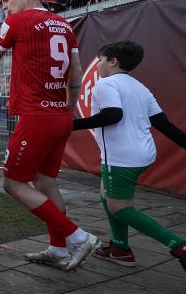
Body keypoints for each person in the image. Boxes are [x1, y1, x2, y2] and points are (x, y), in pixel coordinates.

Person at [0, 0, 100, 271]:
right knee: (45, 182)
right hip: (61, 114)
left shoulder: (18, 22)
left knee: (13, 183)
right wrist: (67, 107)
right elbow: (76, 76)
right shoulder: (65, 25)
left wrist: (2, 29)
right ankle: (57, 248)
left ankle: (78, 236)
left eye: (7, 1)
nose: (5, 8)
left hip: (37, 114)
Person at [71, 41, 185, 272]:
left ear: (113, 61)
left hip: (121, 157)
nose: (99, 66)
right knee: (106, 193)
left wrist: (71, 125)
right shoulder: (140, 87)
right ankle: (121, 249)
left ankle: (179, 246)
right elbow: (163, 124)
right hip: (142, 153)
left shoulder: (105, 84)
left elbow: (113, 115)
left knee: (120, 208)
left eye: (101, 60)